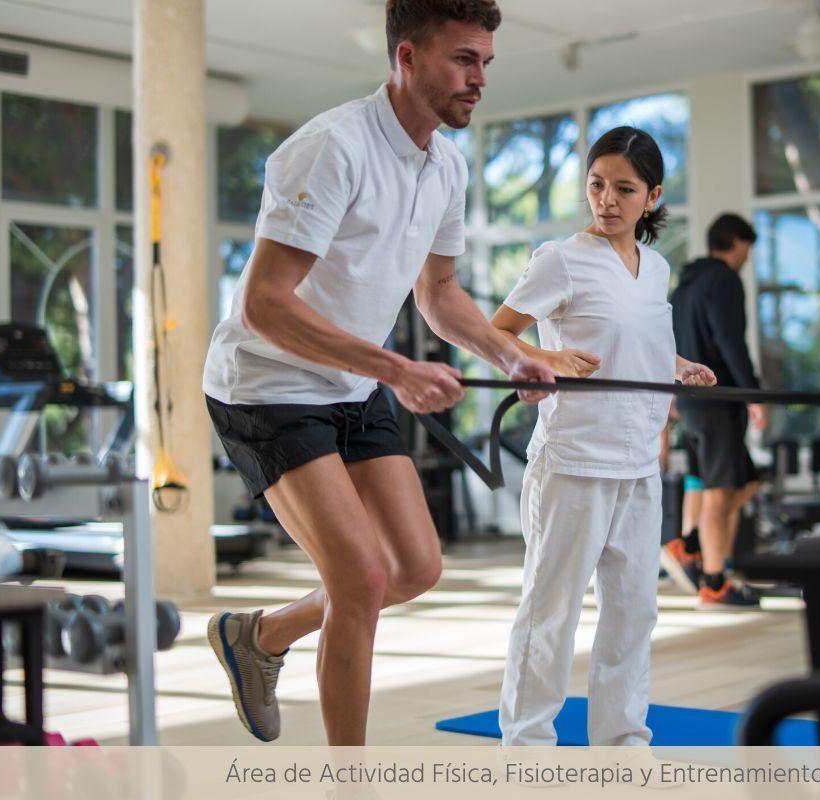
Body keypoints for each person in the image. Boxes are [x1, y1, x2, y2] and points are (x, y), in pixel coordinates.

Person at [201, 0, 553, 746]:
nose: (479, 78)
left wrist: (510, 353)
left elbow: (439, 292)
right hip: (267, 385)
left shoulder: (444, 164)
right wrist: (395, 369)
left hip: (352, 384)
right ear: (406, 58)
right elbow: (265, 303)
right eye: (463, 59)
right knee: (358, 577)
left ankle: (258, 636)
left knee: (416, 567)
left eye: (486, 61)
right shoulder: (332, 147)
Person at [491, 127, 715, 746]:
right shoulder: (560, 259)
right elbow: (497, 331)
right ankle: (528, 749)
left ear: (652, 196)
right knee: (551, 611)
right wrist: (545, 357)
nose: (606, 200)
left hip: (639, 462)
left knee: (633, 612)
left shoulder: (657, 268)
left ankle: (622, 747)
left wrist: (677, 365)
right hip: (574, 461)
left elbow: (639, 342)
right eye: (596, 184)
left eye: (624, 188)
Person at [664, 214, 765, 610]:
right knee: (721, 494)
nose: (746, 258)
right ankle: (715, 582)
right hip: (716, 400)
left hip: (692, 403)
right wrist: (753, 394)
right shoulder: (723, 280)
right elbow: (730, 343)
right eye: (747, 249)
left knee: (741, 482)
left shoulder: (686, 284)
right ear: (737, 243)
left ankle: (690, 545)